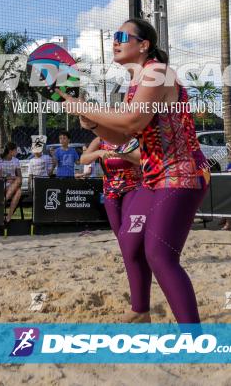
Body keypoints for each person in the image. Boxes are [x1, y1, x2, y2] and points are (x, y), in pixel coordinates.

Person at [61, 17, 210, 324]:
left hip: (182, 173)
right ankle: (140, 311)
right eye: (113, 36)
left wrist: (85, 109)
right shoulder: (135, 83)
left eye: (121, 36)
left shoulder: (157, 72)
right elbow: (122, 137)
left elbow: (131, 122)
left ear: (144, 45)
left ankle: (193, 336)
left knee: (160, 255)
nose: (114, 41)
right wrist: (91, 122)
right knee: (130, 242)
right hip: (153, 177)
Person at [80, 137, 142, 222]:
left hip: (132, 187)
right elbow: (83, 160)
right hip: (110, 190)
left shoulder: (131, 138)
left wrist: (121, 154)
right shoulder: (100, 140)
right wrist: (98, 153)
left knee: (128, 225)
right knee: (117, 228)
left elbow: (140, 160)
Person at [0, 142, 22, 223]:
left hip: (14, 183)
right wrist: (10, 178)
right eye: (15, 150)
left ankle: (5, 204)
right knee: (19, 191)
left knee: (19, 189)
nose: (17, 152)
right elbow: (0, 177)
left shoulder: (16, 160)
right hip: (3, 184)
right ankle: (8, 216)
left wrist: (13, 179)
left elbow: (20, 177)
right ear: (10, 151)